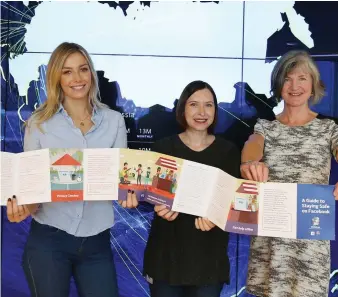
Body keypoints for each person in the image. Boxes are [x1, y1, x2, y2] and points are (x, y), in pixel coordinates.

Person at [6, 42, 138, 297]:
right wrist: (22, 209)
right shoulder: (38, 124)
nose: (77, 79)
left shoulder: (114, 121)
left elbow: (122, 186)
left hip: (97, 243)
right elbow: (32, 191)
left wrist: (130, 196)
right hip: (49, 243)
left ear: (91, 74)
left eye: (83, 69)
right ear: (56, 77)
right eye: (67, 71)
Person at [240, 50, 338, 297]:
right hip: (271, 243)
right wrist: (250, 163)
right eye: (287, 78)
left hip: (310, 245)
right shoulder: (264, 127)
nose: (294, 85)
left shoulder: (328, 128)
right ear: (278, 84)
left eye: (302, 78)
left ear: (313, 84)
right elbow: (252, 146)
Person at [142, 80, 241, 297]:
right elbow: (150, 194)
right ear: (182, 108)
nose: (201, 112)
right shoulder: (163, 148)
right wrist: (158, 205)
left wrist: (218, 216)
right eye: (194, 104)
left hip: (208, 260)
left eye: (209, 105)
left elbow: (235, 205)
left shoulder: (228, 152)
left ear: (216, 110)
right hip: (166, 258)